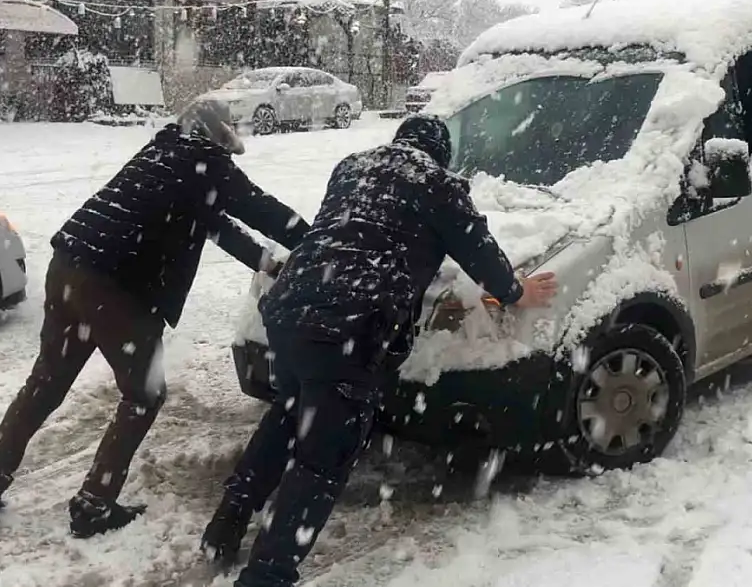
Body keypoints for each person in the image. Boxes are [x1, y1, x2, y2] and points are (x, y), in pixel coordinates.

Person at [200, 114, 559, 586]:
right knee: (321, 460)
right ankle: (267, 576)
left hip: (290, 311)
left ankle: (225, 526)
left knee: (289, 416)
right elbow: (478, 250)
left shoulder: (353, 167)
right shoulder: (436, 182)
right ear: (440, 153)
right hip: (347, 326)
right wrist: (515, 292)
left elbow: (353, 232)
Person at [0, 99, 311, 539]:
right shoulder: (206, 163)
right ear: (217, 138)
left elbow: (216, 225)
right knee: (144, 395)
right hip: (118, 288)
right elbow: (263, 210)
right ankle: (94, 505)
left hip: (69, 268)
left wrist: (271, 265)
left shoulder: (160, 154)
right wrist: (318, 239)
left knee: (47, 380)